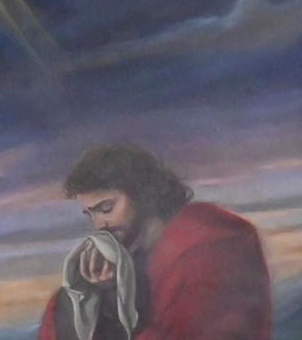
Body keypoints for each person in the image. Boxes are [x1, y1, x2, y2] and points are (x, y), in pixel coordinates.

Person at [38, 144, 272, 340]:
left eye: (107, 208)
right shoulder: (128, 256)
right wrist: (106, 296)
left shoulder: (210, 244)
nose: (100, 225)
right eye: (91, 214)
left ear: (142, 194)